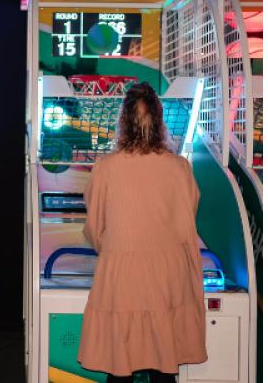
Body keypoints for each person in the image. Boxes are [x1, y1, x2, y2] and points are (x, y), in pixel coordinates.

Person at [77, 82, 206, 383]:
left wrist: (113, 247)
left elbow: (95, 227)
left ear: (123, 120)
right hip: (168, 274)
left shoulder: (106, 167)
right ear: (160, 120)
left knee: (120, 366)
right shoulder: (179, 167)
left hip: (123, 273)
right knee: (164, 366)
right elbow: (188, 218)